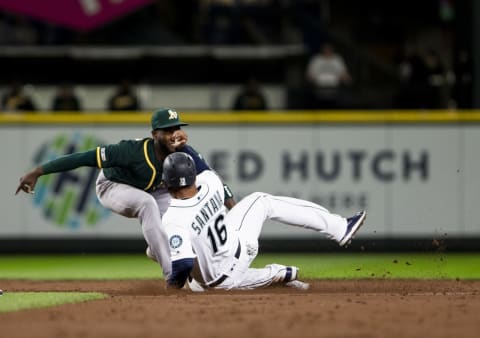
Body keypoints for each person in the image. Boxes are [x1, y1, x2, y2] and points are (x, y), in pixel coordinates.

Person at [15, 108, 236, 280]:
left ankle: (156, 250)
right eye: (167, 130)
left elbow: (211, 177)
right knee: (147, 204)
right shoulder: (130, 151)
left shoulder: (183, 150)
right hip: (112, 186)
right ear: (154, 134)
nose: (173, 134)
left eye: (175, 128)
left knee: (183, 211)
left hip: (150, 189)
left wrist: (232, 206)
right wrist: (37, 172)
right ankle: (172, 276)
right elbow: (82, 158)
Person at [161, 152, 367, 291]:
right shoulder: (210, 182)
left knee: (165, 253)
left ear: (166, 184)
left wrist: (171, 290)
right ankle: (339, 228)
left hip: (211, 283)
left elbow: (183, 264)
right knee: (261, 200)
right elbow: (202, 167)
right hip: (240, 251)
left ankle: (280, 273)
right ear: (193, 176)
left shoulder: (172, 219)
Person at [305, 43, 352, 109]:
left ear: (332, 50)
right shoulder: (316, 59)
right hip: (319, 88)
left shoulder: (337, 59)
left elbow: (344, 74)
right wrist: (313, 79)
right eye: (326, 49)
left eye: (329, 49)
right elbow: (309, 75)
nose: (327, 51)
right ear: (322, 50)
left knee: (343, 96)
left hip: (335, 88)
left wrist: (346, 79)